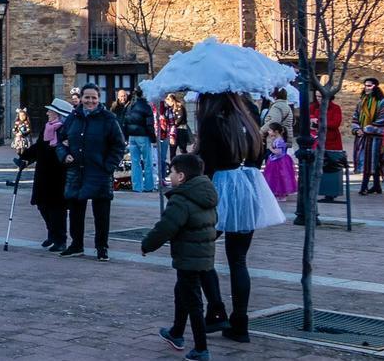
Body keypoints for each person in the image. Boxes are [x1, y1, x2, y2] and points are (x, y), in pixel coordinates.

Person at [194, 91, 285, 343]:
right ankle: (240, 323)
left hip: (221, 188)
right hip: (249, 186)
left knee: (199, 249)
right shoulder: (250, 118)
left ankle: (216, 307)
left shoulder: (212, 120)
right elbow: (259, 156)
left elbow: (207, 163)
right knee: (238, 260)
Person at [144, 154, 219, 361]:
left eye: (172, 172)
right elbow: (215, 222)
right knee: (182, 292)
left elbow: (165, 227)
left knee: (193, 301)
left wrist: (147, 245)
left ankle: (201, 349)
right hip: (203, 255)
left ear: (182, 176)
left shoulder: (181, 199)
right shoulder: (207, 194)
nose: (170, 176)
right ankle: (176, 332)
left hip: (188, 257)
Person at [55, 83, 126, 261]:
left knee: (101, 213)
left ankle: (101, 247)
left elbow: (118, 145)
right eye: (87, 97)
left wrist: (108, 165)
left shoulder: (108, 119)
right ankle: (76, 244)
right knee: (76, 211)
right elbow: (60, 141)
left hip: (99, 172)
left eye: (93, 97)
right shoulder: (73, 117)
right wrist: (64, 156)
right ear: (81, 98)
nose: (90, 101)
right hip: (76, 171)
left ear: (98, 99)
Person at [15, 98, 72, 252]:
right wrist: (24, 157)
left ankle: (60, 239)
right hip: (44, 173)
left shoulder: (64, 130)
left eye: (50, 111)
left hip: (58, 175)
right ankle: (52, 233)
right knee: (42, 205)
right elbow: (39, 147)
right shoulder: (47, 128)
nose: (47, 113)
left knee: (57, 209)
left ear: (58, 115)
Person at [352, 78, 384, 195]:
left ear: (375, 87)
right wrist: (356, 129)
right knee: (369, 161)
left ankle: (364, 187)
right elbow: (355, 117)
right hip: (363, 137)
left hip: (376, 137)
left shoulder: (383, 103)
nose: (366, 88)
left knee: (371, 162)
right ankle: (376, 186)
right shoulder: (361, 102)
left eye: (369, 86)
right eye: (365, 85)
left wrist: (367, 129)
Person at [122, 87, 157, 193]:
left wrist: (126, 136)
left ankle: (137, 187)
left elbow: (125, 122)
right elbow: (149, 125)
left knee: (135, 162)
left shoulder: (129, 106)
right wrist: (153, 138)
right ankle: (149, 186)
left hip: (132, 136)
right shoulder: (146, 107)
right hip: (143, 136)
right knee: (147, 162)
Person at [261, 123, 297, 202]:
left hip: (279, 161)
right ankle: (279, 193)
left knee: (279, 177)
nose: (269, 132)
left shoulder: (279, 141)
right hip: (276, 160)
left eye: (270, 130)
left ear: (276, 131)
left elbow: (279, 152)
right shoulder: (277, 139)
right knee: (277, 177)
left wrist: (270, 148)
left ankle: (281, 194)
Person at [162, 93, 191, 162]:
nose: (167, 103)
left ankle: (186, 163)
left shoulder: (179, 106)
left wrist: (173, 123)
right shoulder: (169, 109)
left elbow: (179, 119)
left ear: (171, 100)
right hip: (172, 131)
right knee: (172, 150)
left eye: (167, 101)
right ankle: (173, 165)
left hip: (180, 130)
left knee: (182, 149)